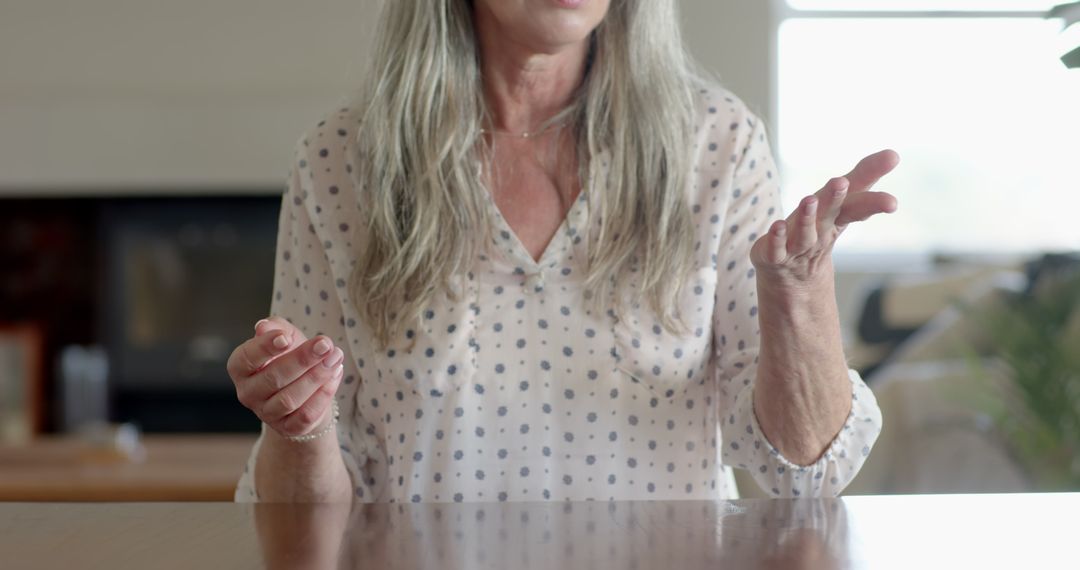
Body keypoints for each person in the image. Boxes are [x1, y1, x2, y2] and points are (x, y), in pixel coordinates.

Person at [231, 0, 896, 503]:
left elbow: (806, 469)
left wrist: (798, 296)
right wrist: (299, 423)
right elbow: (307, 511)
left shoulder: (716, 143)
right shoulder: (342, 158)